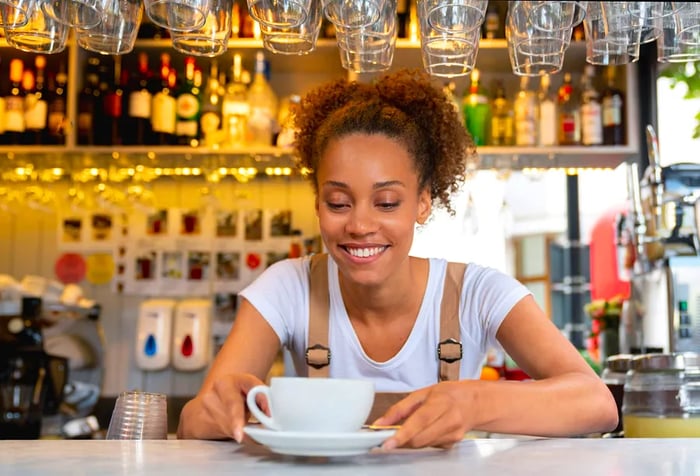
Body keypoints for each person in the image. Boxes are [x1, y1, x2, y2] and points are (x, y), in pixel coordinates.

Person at [177, 69, 618, 449]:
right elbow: (193, 422)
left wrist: (474, 402)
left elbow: (597, 404)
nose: (359, 225)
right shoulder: (286, 286)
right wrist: (218, 411)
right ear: (317, 204)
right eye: (338, 202)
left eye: (386, 202)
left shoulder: (478, 293)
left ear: (423, 203)